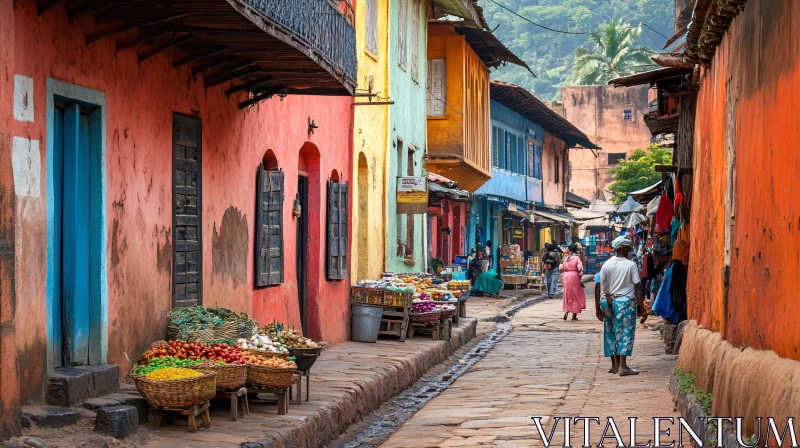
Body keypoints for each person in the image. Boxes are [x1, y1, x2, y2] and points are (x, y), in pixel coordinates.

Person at [598, 236, 647, 376]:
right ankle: (623, 366)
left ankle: (614, 365)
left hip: (609, 301)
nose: (630, 251)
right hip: (625, 302)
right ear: (623, 248)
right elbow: (637, 287)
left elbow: (603, 286)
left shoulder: (606, 264)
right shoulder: (630, 265)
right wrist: (642, 308)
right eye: (629, 248)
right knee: (625, 332)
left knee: (611, 331)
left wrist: (607, 297)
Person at [560, 244, 586, 320]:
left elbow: (561, 268)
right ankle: (574, 315)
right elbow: (580, 270)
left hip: (566, 276)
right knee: (576, 294)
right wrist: (580, 279)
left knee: (567, 293)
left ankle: (567, 311)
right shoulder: (577, 258)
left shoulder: (565, 258)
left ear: (570, 250)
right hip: (574, 276)